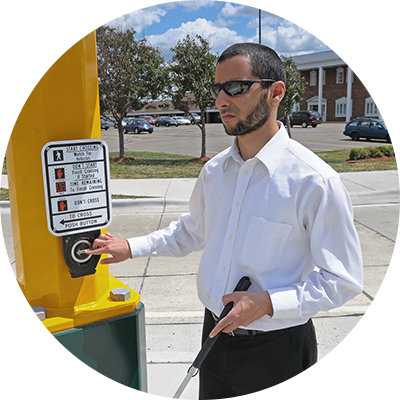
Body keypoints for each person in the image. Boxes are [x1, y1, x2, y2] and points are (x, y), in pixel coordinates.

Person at [86, 43, 363, 399]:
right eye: (217, 89)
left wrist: (268, 302)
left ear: (275, 92)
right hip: (214, 336)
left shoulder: (314, 182)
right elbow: (192, 230)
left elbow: (343, 279)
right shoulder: (215, 171)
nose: (221, 100)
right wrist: (131, 247)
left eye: (235, 88)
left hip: (276, 350)